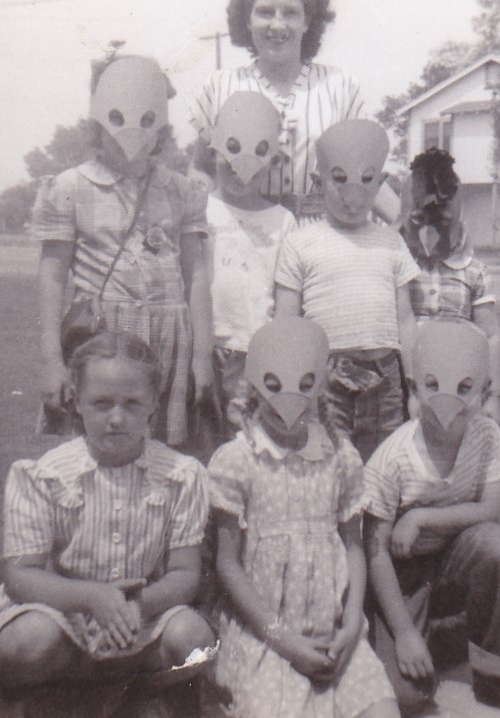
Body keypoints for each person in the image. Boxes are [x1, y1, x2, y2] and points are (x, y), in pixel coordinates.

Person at [0, 331, 216, 718]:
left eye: (132, 404)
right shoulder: (44, 475)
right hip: (60, 611)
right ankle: (10, 703)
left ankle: (142, 695)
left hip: (139, 611)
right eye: (102, 403)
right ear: (77, 404)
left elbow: (185, 573)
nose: (117, 418)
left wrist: (135, 606)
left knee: (196, 640)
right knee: (25, 642)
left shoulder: (182, 474)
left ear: (154, 407)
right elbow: (20, 574)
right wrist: (91, 598)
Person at [208, 317, 406, 718]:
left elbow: (353, 547)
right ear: (254, 386)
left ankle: (325, 714)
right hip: (267, 637)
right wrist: (283, 639)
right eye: (273, 385)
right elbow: (227, 565)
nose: (288, 401)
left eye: (304, 383)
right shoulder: (237, 461)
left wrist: (353, 622)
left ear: (322, 386)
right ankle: (251, 705)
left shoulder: (340, 456)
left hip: (334, 631)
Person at [363, 319, 500, 718]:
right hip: (400, 576)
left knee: (497, 546)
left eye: (465, 389)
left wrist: (423, 517)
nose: (449, 402)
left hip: (453, 558)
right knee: (408, 699)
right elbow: (374, 551)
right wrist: (406, 634)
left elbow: (491, 509)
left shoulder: (487, 435)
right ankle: (425, 639)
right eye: (433, 386)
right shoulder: (392, 458)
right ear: (414, 391)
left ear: (482, 394)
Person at [35, 53, 213, 447]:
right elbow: (52, 273)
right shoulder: (70, 188)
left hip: (169, 335)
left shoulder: (181, 190)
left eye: (148, 122)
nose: (132, 135)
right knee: (100, 447)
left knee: (164, 452)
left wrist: (202, 354)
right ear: (97, 122)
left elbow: (196, 274)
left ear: (161, 127)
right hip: (102, 334)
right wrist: (50, 359)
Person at [188, 0, 398, 223]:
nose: (277, 24)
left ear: (307, 21)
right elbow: (200, 168)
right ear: (247, 20)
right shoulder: (220, 86)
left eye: (290, 12)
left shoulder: (339, 87)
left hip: (321, 236)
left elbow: (366, 174)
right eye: (265, 12)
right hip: (243, 235)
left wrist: (409, 222)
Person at [274, 119, 419, 461]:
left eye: (366, 182)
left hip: (385, 375)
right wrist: (293, 383)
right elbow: (286, 322)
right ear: (318, 182)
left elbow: (407, 319)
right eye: (339, 181)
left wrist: (413, 385)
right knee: (327, 463)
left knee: (383, 464)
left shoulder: (392, 242)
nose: (352, 199)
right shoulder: (300, 243)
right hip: (326, 375)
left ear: (380, 183)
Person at [204, 90, 298, 436]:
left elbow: (287, 295)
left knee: (247, 444)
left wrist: (275, 357)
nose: (239, 170)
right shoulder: (199, 208)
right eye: (229, 158)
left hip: (254, 354)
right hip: (206, 346)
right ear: (214, 152)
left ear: (273, 161)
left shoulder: (281, 219)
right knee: (201, 444)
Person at [399, 147, 500, 424]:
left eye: (444, 209)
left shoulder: (474, 271)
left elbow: (491, 336)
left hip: (458, 388)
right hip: (405, 391)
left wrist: (494, 395)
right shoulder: (397, 267)